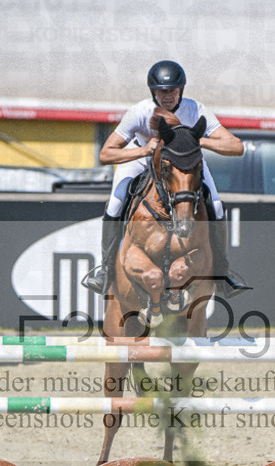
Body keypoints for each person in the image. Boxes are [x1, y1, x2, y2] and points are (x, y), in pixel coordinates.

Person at [81, 60, 250, 298]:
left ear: (181, 90)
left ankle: (223, 272)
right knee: (116, 203)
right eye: (161, 91)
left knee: (216, 204)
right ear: (153, 91)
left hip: (184, 162)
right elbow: (106, 154)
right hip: (142, 157)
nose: (167, 96)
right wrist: (143, 151)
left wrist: (197, 140)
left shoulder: (196, 109)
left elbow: (236, 146)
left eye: (172, 90)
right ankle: (106, 269)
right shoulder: (139, 112)